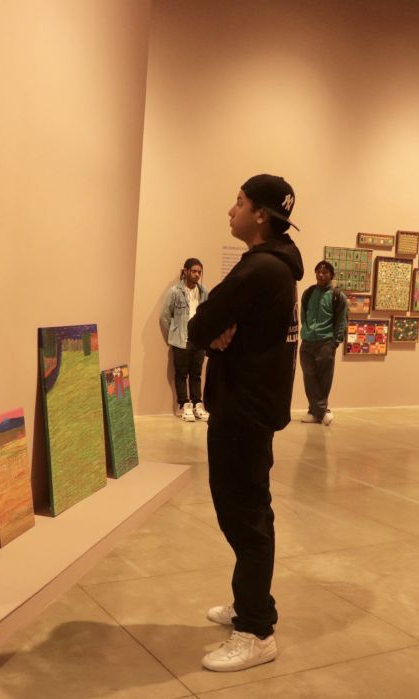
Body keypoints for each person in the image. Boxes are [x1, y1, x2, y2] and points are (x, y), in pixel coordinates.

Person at [187, 174, 303, 672]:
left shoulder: (258, 269)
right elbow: (212, 327)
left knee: (245, 517)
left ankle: (256, 630)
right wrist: (216, 332)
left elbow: (198, 326)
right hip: (252, 407)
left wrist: (213, 333)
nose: (230, 211)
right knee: (249, 511)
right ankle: (251, 603)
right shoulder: (280, 266)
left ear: (260, 215)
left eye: (238, 203)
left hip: (243, 410)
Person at [160, 258, 209, 421]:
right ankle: (185, 405)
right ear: (186, 271)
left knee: (196, 373)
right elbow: (164, 317)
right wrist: (172, 335)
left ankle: (197, 404)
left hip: (199, 339)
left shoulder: (204, 292)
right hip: (181, 340)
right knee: (181, 373)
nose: (196, 274)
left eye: (199, 272)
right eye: (194, 271)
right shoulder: (175, 291)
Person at [299, 261, 347, 426]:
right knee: (309, 378)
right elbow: (303, 315)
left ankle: (314, 412)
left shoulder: (338, 296)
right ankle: (322, 412)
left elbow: (342, 321)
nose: (321, 274)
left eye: (325, 272)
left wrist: (335, 342)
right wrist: (306, 331)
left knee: (324, 380)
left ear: (331, 275)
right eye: (318, 271)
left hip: (326, 343)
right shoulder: (308, 293)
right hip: (307, 343)